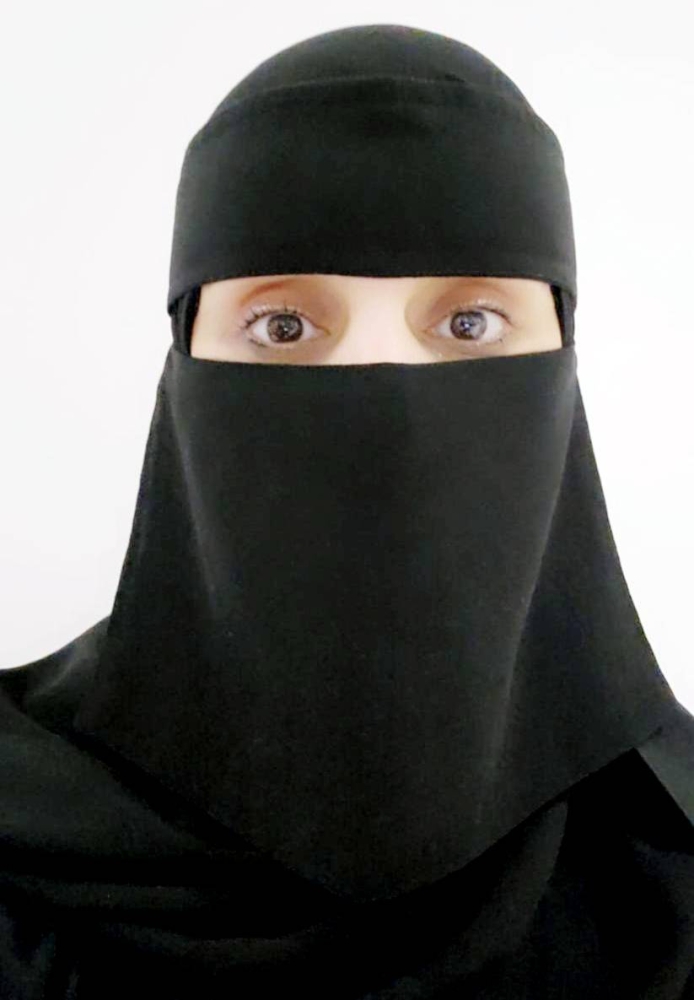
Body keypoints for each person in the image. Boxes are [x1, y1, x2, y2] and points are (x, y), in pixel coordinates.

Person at [2, 22, 693, 1000]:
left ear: (562, 359)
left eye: (468, 322)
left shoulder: (667, 870)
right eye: (284, 325)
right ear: (184, 362)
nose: (383, 388)